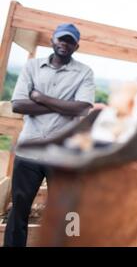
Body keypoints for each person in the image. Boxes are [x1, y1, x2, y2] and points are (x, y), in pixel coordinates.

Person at [4, 23, 95, 247]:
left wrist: (40, 98)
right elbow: (18, 105)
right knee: (19, 209)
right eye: (61, 39)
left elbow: (82, 108)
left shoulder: (84, 72)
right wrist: (64, 105)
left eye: (70, 41)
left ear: (76, 46)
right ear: (53, 40)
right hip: (30, 150)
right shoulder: (32, 67)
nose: (65, 44)